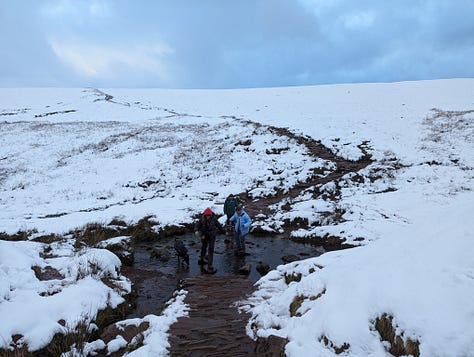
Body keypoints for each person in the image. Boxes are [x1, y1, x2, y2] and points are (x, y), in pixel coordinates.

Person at [194, 207, 225, 274]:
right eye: (206, 215)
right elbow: (197, 225)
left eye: (209, 215)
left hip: (212, 235)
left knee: (211, 249)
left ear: (211, 215)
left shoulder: (214, 219)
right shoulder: (202, 219)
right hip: (204, 234)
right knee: (203, 248)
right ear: (205, 215)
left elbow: (219, 226)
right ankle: (202, 259)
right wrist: (196, 230)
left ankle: (210, 265)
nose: (207, 217)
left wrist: (224, 232)